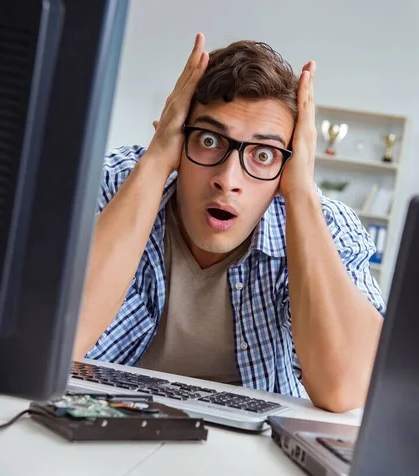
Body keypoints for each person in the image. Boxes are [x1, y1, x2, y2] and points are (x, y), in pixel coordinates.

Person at [74, 34, 385, 413]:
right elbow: (50, 338)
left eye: (264, 154)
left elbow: (346, 389)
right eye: (208, 140)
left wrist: (301, 192)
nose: (228, 178)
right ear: (177, 138)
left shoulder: (326, 225)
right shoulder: (116, 183)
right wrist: (155, 161)